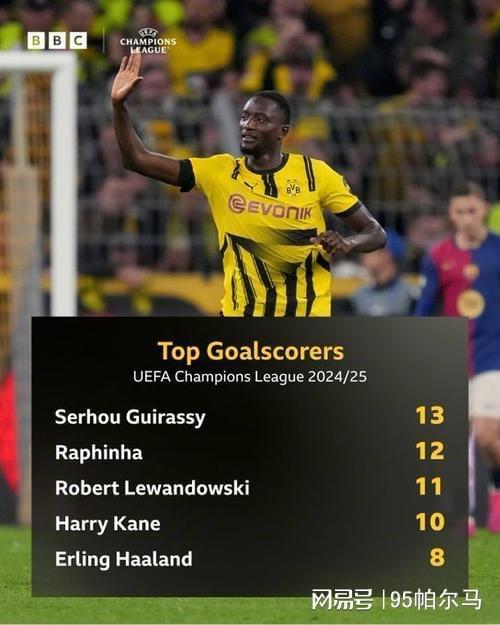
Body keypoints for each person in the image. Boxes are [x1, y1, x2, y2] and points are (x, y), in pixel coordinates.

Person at [112, 50, 386, 317]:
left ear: (282, 132)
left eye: (260, 119)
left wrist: (348, 243)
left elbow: (375, 233)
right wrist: (119, 107)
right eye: (245, 117)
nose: (248, 125)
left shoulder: (316, 174)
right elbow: (138, 160)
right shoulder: (220, 171)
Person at [415, 181, 500, 534]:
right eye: (460, 212)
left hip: (493, 354)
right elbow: (425, 306)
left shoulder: (498, 249)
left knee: (485, 435)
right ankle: (465, 513)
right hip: (454, 354)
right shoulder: (438, 255)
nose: (467, 218)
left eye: (472, 210)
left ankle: (494, 497)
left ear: (484, 210)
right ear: (451, 215)